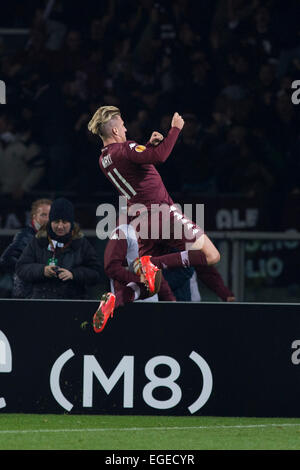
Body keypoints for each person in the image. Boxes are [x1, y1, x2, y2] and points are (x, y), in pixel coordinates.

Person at [88, 106, 225, 332]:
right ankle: (153, 264)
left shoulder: (104, 159)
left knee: (151, 286)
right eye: (122, 124)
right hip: (161, 213)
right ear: (114, 130)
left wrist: (149, 145)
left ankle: (116, 300)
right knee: (211, 255)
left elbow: (136, 165)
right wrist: (175, 130)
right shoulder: (126, 147)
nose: (125, 127)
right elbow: (160, 157)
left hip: (141, 223)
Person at [16, 197, 102, 299]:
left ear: (71, 223)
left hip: (73, 303)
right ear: (50, 221)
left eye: (65, 222)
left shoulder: (81, 243)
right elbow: (21, 268)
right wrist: (42, 270)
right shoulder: (38, 240)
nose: (60, 226)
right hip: (41, 302)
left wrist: (73, 274)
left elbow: (96, 273)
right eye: (56, 221)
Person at [0, 198, 52, 298]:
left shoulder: (52, 237)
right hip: (27, 296)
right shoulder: (26, 236)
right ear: (34, 217)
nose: (47, 219)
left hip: (44, 295)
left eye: (50, 215)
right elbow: (6, 260)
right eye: (43, 215)